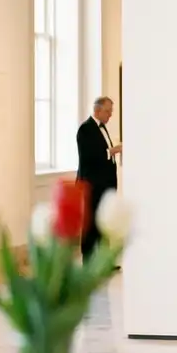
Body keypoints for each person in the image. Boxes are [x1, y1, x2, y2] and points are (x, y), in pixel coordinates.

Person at [76, 96, 121, 259]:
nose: (110, 115)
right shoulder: (85, 129)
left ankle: (103, 263)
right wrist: (112, 151)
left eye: (111, 112)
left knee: (104, 224)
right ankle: (88, 262)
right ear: (97, 110)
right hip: (92, 188)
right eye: (108, 111)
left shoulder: (103, 128)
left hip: (104, 187)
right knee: (90, 226)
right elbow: (88, 157)